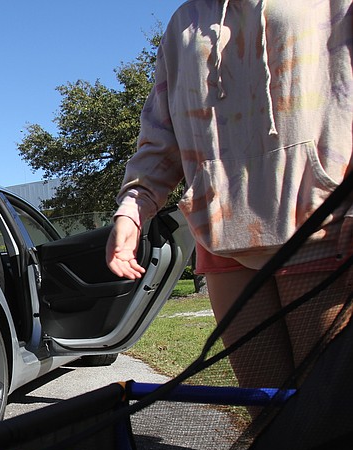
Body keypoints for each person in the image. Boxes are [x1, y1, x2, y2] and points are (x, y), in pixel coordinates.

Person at [106, 0, 353, 390]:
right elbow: (160, 132)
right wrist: (133, 208)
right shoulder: (183, 24)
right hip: (222, 236)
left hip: (320, 227)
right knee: (265, 412)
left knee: (325, 413)